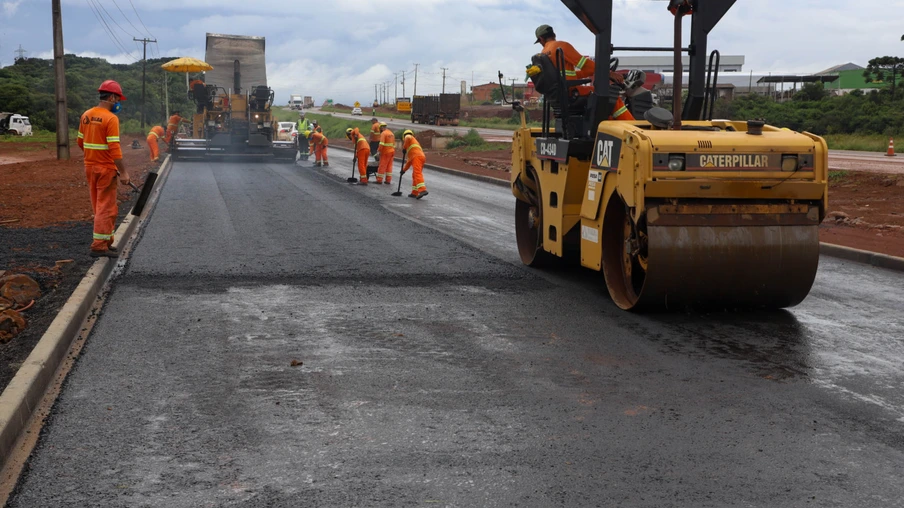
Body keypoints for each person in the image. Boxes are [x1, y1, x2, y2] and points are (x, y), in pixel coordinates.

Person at [534, 24, 634, 120]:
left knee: (604, 107)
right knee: (611, 97)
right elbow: (584, 63)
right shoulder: (561, 46)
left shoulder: (544, 54)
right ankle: (633, 127)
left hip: (561, 93)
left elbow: (565, 76)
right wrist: (609, 73)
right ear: (554, 35)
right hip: (571, 92)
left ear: (541, 39)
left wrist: (591, 72)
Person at [77, 80, 130, 258]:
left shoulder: (86, 115)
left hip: (90, 167)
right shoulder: (110, 118)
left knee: (100, 205)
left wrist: (93, 156)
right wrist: (123, 171)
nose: (118, 103)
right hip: (106, 168)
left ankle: (107, 241)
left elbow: (80, 141)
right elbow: (114, 148)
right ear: (112, 97)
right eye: (117, 99)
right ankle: (99, 246)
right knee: (105, 207)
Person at [400, 130, 428, 199]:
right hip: (420, 157)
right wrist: (403, 170)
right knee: (415, 175)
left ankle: (422, 190)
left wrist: (404, 148)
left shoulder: (409, 136)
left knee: (417, 173)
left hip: (417, 157)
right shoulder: (412, 145)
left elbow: (408, 137)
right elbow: (409, 162)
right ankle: (414, 192)